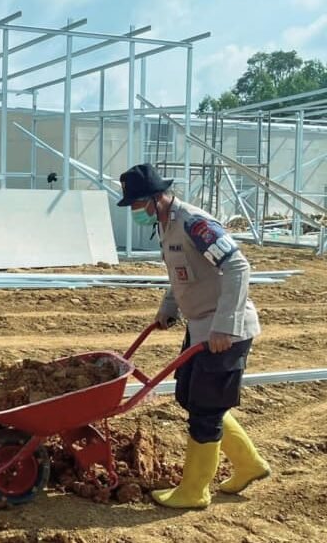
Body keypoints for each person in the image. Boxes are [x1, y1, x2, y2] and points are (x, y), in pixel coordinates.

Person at [117, 163, 270, 509]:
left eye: (139, 205)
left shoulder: (194, 224)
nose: (137, 212)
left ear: (157, 198)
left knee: (205, 408)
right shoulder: (166, 226)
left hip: (225, 331)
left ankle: (194, 491)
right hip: (201, 327)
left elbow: (237, 266)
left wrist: (225, 326)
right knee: (190, 395)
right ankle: (248, 464)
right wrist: (168, 307)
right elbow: (182, 275)